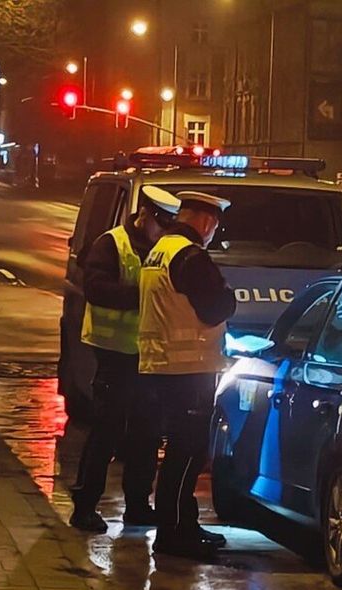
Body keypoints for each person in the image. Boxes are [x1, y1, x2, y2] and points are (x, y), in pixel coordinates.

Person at [69, 185, 182, 533]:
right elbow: (97, 289)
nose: (162, 232)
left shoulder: (162, 249)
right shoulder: (111, 244)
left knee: (146, 434)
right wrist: (144, 297)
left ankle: (137, 505)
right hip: (114, 353)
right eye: (159, 224)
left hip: (148, 356)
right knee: (107, 430)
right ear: (144, 215)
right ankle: (85, 506)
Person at [137, 190, 237, 560]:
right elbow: (216, 307)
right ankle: (174, 532)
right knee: (187, 452)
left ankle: (183, 523)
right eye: (214, 224)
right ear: (206, 221)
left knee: (181, 451)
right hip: (189, 368)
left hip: (163, 364)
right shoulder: (191, 256)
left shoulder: (161, 249)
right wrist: (230, 297)